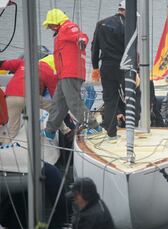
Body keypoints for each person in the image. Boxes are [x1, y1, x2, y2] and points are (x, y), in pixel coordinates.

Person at [42, 9, 101, 140]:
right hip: (64, 75)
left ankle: (94, 126)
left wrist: (82, 41)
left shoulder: (67, 27)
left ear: (56, 22)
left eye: (50, 24)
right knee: (58, 104)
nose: (50, 28)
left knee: (74, 103)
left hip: (71, 73)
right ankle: (49, 131)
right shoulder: (61, 32)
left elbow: (81, 35)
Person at [0, 55, 71, 144]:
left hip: (10, 96)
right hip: (29, 96)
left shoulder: (23, 63)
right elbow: (55, 95)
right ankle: (66, 131)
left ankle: (4, 146)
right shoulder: (49, 71)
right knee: (54, 109)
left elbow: (4, 64)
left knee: (12, 130)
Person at [91, 1, 126, 141]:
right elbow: (132, 48)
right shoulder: (128, 24)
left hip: (106, 66)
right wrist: (135, 69)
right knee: (133, 96)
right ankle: (134, 127)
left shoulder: (101, 23)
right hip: (123, 66)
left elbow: (94, 48)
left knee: (110, 100)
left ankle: (111, 134)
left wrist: (95, 67)